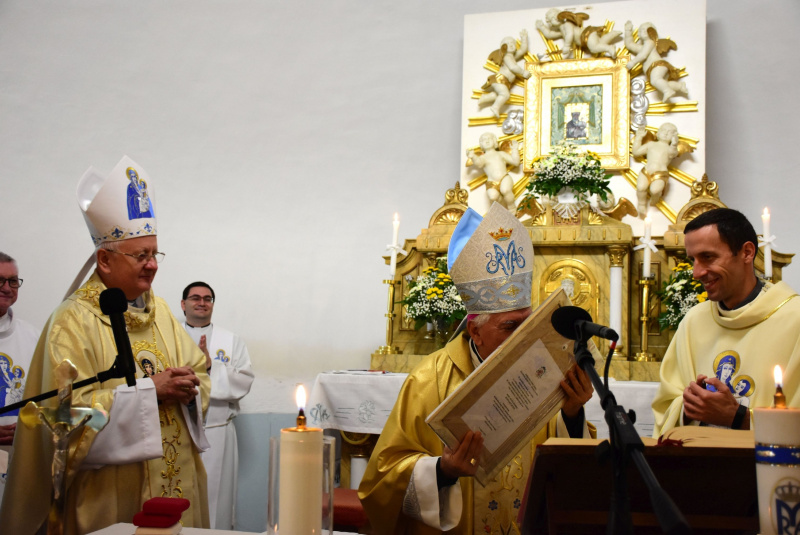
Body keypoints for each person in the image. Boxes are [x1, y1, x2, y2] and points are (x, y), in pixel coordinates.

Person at [0, 156, 211, 534]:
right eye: (141, 255)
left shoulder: (162, 312)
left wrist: (190, 385)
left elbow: (197, 371)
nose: (152, 265)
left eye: (155, 254)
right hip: (107, 497)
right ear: (104, 259)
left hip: (177, 483)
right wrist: (150, 392)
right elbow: (62, 418)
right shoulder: (72, 321)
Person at [359, 203, 595, 534]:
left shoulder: (544, 370)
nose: (523, 338)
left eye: (527, 323)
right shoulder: (429, 380)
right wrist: (443, 471)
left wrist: (571, 413)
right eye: (510, 327)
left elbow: (571, 475)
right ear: (476, 331)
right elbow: (382, 479)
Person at [652, 208, 800, 435]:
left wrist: (738, 417)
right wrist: (689, 408)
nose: (696, 272)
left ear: (747, 253)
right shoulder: (693, 322)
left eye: (708, 257)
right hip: (699, 457)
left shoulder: (795, 319)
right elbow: (666, 406)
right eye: (693, 260)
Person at [181, 281, 254, 530]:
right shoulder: (169, 337)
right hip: (178, 430)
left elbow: (244, 381)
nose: (202, 302)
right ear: (183, 304)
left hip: (217, 431)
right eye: (195, 298)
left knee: (217, 500)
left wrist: (211, 367)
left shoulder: (232, 341)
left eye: (207, 298)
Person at [0, 252, 38, 505]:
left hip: (20, 459)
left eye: (13, 281)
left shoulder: (33, 337)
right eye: (0, 280)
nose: (7, 288)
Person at [631, 122, 691, 215]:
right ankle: (641, 204)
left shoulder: (670, 149)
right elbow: (636, 152)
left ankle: (656, 196)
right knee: (640, 187)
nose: (666, 133)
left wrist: (674, 144)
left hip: (660, 174)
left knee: (655, 190)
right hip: (646, 170)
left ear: (674, 136)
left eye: (670, 132)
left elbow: (672, 154)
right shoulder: (651, 144)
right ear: (658, 133)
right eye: (663, 130)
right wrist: (639, 137)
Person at [624, 21, 688, 102]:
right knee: (662, 83)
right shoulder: (642, 47)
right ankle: (680, 86)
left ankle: (668, 91)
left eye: (643, 30)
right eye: (640, 30)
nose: (640, 32)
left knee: (655, 80)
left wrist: (633, 62)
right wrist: (628, 31)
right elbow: (629, 45)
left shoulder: (650, 43)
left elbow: (643, 55)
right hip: (653, 68)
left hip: (657, 65)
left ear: (650, 32)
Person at [478, 31, 531, 118]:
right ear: (503, 47)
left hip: (505, 82)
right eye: (508, 43)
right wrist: (523, 72)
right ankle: (495, 107)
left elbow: (522, 50)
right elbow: (513, 67)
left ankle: (484, 98)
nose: (511, 45)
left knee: (498, 95)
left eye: (513, 43)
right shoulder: (507, 57)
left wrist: (524, 38)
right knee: (505, 95)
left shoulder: (512, 56)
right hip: (500, 79)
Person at [466, 132, 520, 212]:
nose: (487, 141)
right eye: (484, 140)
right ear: (481, 144)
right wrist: (473, 156)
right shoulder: (483, 157)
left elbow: (515, 162)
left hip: (504, 178)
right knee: (492, 197)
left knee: (505, 190)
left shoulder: (501, 154)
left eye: (489, 139)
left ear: (494, 141)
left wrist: (515, 150)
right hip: (491, 182)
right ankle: (501, 209)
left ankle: (512, 207)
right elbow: (479, 163)